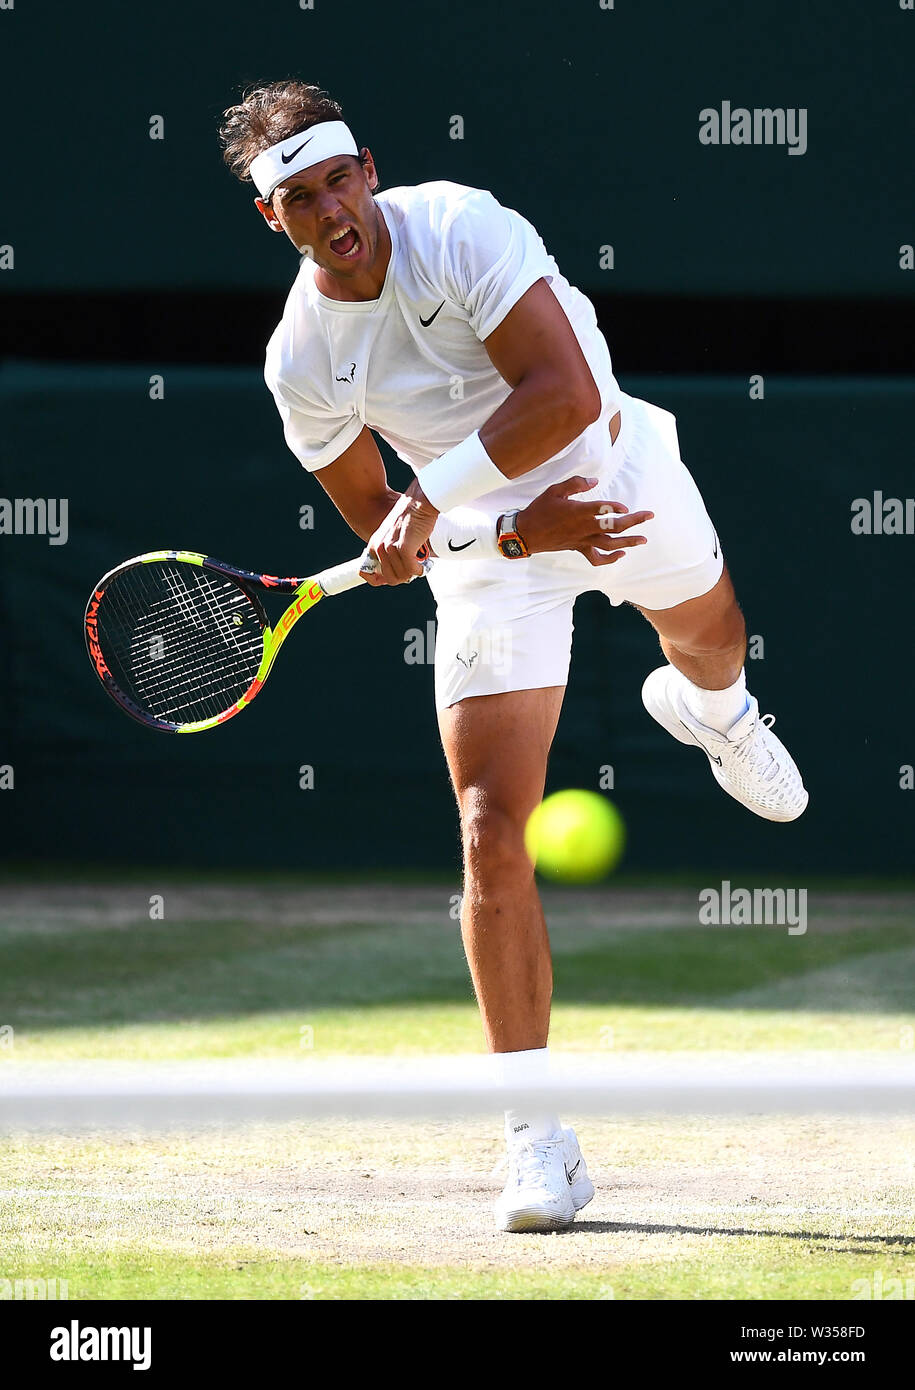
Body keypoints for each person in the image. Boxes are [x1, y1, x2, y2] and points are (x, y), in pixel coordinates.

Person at [219, 80, 808, 1234]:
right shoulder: (301, 362)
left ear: (369, 168)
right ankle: (537, 1139)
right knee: (490, 827)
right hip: (491, 551)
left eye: (340, 177)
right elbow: (375, 519)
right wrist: (501, 532)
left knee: (711, 637)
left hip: (607, 462)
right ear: (273, 219)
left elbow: (565, 393)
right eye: (299, 195)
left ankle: (719, 711)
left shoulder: (461, 226)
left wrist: (439, 497)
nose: (332, 207)